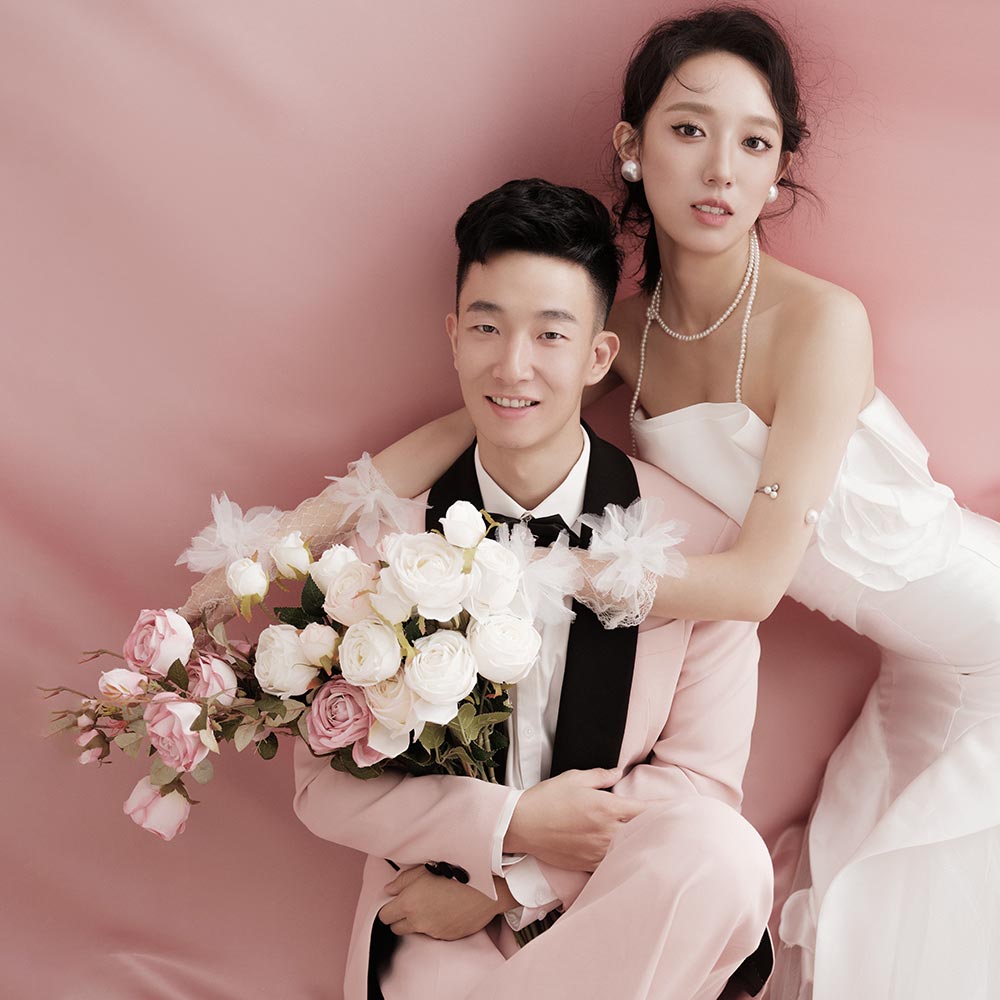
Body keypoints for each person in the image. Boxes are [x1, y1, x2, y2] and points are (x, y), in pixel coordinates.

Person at [179, 8, 1000, 999]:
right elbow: (466, 426)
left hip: (983, 624)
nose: (721, 171)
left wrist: (522, 575)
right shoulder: (624, 334)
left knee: (904, 892)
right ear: (631, 145)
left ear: (781, 169)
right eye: (689, 130)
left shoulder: (821, 323)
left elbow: (752, 584)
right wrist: (267, 549)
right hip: (914, 663)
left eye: (755, 144)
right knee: (881, 919)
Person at [292, 178, 772, 1000]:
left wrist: (514, 880)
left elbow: (701, 782)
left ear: (597, 357)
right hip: (433, 904)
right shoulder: (380, 546)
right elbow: (322, 786)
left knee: (725, 855)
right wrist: (500, 827)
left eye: (550, 334)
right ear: (453, 338)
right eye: (487, 327)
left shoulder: (700, 541)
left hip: (613, 900)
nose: (513, 366)